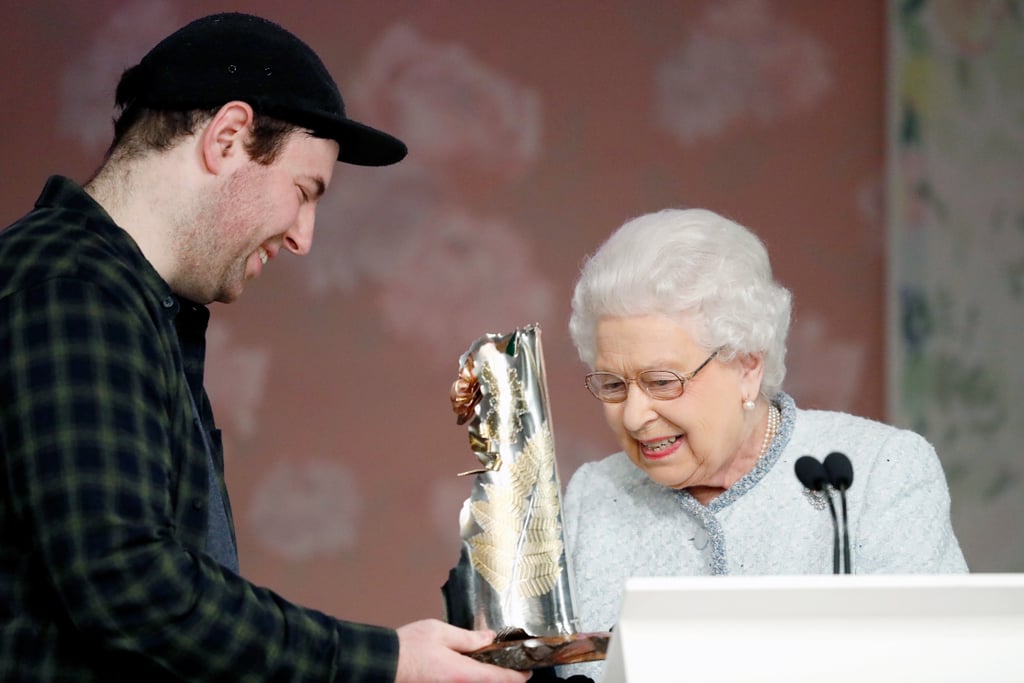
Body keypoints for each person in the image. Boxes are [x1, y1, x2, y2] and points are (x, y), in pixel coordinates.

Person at [0, 12, 529, 683]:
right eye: (303, 192)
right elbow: (128, 583)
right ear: (226, 138)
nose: (304, 237)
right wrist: (388, 662)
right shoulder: (73, 287)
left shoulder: (134, 306)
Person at [554, 208, 968, 680]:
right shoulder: (593, 496)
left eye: (662, 382)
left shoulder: (876, 472)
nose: (633, 415)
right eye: (612, 385)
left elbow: (950, 668)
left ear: (747, 366)